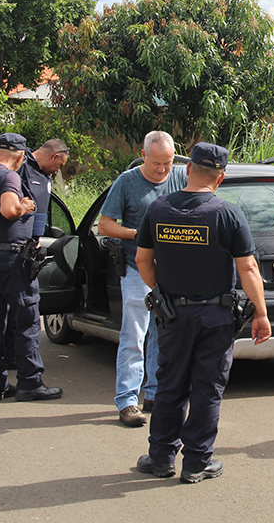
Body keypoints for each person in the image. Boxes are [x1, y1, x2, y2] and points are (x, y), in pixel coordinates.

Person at [134, 142, 271, 483]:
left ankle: (161, 457)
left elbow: (142, 261)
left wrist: (161, 293)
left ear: (187, 170)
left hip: (173, 316)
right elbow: (249, 268)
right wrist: (261, 314)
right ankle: (197, 462)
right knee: (207, 389)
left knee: (169, 385)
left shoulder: (158, 209)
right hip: (216, 317)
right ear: (220, 177)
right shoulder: (227, 214)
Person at [98, 130, 187, 427]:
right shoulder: (126, 182)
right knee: (134, 335)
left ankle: (154, 393)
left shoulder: (179, 178)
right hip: (137, 269)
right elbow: (106, 226)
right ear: (144, 154)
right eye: (156, 164)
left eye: (168, 163)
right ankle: (127, 401)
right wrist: (138, 234)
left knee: (163, 335)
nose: (162, 170)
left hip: (170, 272)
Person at [0, 133, 63, 401]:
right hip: (9, 259)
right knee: (27, 321)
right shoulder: (9, 177)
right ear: (21, 156)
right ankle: (30, 383)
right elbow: (9, 211)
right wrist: (24, 205)